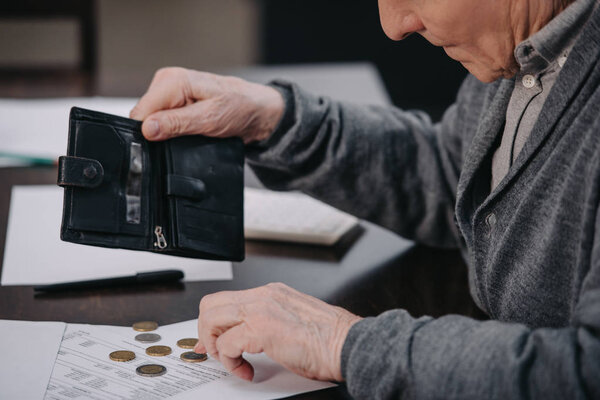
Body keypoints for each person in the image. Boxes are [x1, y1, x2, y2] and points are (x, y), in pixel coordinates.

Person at [130, 0, 600, 398]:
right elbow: (451, 177)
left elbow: (584, 371)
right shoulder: (525, 50)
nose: (393, 27)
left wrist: (340, 343)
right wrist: (274, 121)